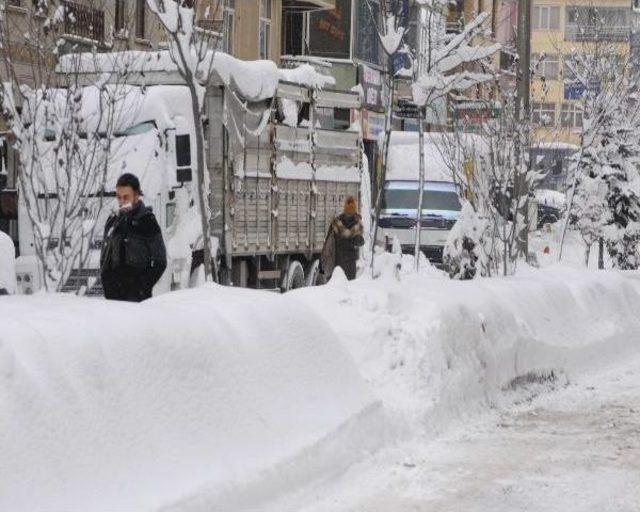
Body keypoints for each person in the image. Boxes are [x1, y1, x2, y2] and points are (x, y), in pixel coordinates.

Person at [100, 173, 167, 302]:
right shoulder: (113, 221)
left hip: (138, 300)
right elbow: (104, 259)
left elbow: (160, 261)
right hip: (113, 299)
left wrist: (142, 286)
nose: (121, 202)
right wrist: (108, 285)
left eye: (126, 197)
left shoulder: (147, 221)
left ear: (136, 196)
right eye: (119, 197)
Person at [320, 196, 365, 281]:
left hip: (337, 264)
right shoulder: (357, 225)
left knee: (336, 289)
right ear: (355, 208)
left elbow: (328, 243)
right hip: (350, 266)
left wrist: (324, 259)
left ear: (344, 208)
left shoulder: (336, 223)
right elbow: (361, 242)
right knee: (348, 290)